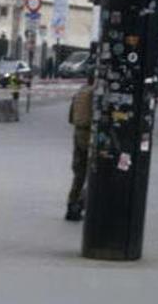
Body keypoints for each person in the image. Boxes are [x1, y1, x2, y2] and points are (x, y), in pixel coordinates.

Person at [65, 74, 95, 221]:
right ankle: (81, 204)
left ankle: (71, 204)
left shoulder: (80, 92)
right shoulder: (94, 93)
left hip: (78, 133)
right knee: (92, 173)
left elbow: (70, 118)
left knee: (78, 173)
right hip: (90, 134)